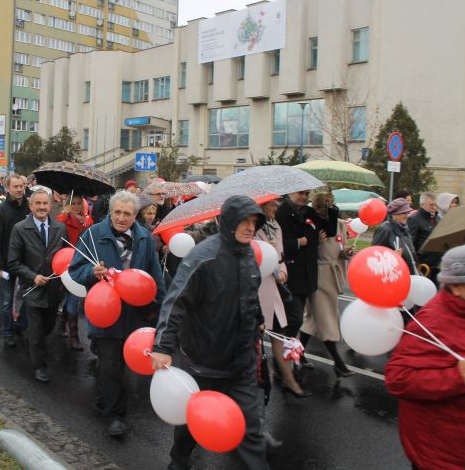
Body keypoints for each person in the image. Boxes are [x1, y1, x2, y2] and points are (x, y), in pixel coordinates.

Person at [150, 195, 269, 470]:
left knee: (250, 425)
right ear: (227, 221)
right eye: (244, 221)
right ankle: (178, 462)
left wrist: (259, 319)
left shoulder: (249, 252)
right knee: (194, 422)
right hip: (205, 359)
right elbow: (175, 301)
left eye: (254, 221)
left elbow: (251, 293)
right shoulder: (204, 256)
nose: (250, 227)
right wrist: (163, 347)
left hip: (242, 361)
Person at [385, 245, 465, 470]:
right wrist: (457, 377)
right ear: (456, 286)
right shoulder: (433, 322)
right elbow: (398, 378)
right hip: (449, 457)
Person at [69, 190, 166, 438]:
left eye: (128, 214)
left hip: (135, 316)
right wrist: (92, 273)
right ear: (110, 212)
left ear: (136, 215)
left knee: (116, 365)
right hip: (104, 312)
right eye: (118, 212)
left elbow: (155, 277)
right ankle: (115, 416)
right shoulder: (92, 235)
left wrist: (162, 307)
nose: (122, 218)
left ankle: (104, 400)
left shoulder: (144, 238)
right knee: (112, 364)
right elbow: (74, 271)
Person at [8, 186, 68, 382]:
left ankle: (34, 343)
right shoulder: (19, 229)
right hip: (32, 288)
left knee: (48, 326)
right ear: (31, 205)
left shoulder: (60, 228)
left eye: (45, 203)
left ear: (50, 205)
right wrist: (32, 276)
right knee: (36, 331)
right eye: (38, 203)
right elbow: (13, 262)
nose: (42, 207)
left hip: (53, 289)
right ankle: (39, 366)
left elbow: (66, 255)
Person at [275, 190, 337, 359]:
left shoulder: (309, 212)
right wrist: (299, 242)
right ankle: (282, 356)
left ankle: (291, 357)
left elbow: (329, 231)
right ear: (290, 193)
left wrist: (330, 207)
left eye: (306, 194)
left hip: (307, 274)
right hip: (290, 274)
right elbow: (280, 244)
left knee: (297, 320)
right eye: (300, 193)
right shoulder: (281, 213)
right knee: (295, 319)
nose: (304, 197)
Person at [300, 193, 356, 378]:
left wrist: (346, 252)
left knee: (312, 319)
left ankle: (299, 354)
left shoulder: (338, 224)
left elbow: (339, 251)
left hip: (333, 275)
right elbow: (306, 250)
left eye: (330, 206)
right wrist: (316, 242)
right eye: (324, 207)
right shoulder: (311, 224)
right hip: (317, 275)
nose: (327, 210)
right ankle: (339, 363)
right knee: (326, 318)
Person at [254, 198, 306, 397]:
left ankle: (289, 379)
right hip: (257, 289)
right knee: (254, 341)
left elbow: (281, 256)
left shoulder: (276, 226)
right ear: (262, 206)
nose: (276, 207)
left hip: (274, 288)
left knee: (280, 335)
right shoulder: (253, 228)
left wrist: (283, 272)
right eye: (272, 204)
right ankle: (259, 382)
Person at [0, 174, 29, 347]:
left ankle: (20, 325)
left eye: (21, 186)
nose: (20, 189)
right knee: (6, 301)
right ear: (7, 188)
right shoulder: (1, 211)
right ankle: (7, 333)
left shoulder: (30, 207)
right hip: (5, 263)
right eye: (16, 186)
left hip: (27, 262)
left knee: (30, 298)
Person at [57, 193, 94, 351]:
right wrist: (65, 216)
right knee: (70, 297)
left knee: (72, 297)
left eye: (80, 203)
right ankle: (70, 332)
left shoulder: (88, 221)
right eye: (74, 203)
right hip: (65, 262)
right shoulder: (62, 220)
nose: (77, 207)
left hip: (81, 263)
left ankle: (67, 327)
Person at [372, 197, 418, 274]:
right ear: (394, 214)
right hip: (394, 276)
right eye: (403, 213)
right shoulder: (385, 229)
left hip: (408, 274)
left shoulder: (404, 228)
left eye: (407, 213)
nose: (407, 215)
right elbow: (373, 255)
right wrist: (391, 256)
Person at [407, 192, 441, 280]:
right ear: (422, 205)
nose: (434, 208)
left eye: (435, 205)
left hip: (437, 264)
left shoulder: (437, 218)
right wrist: (416, 263)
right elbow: (411, 243)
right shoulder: (415, 219)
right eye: (431, 205)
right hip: (423, 265)